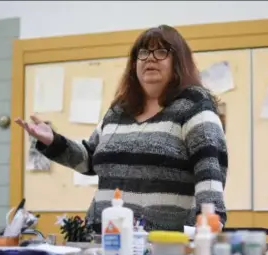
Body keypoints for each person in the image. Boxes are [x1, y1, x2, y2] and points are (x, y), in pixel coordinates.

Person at [15, 25, 228, 232]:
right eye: (143, 53)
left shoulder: (195, 107)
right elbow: (89, 159)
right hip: (102, 238)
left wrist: (208, 225)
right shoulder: (119, 111)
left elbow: (209, 173)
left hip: (160, 245)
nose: (150, 58)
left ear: (179, 62)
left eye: (161, 51)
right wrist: (52, 141)